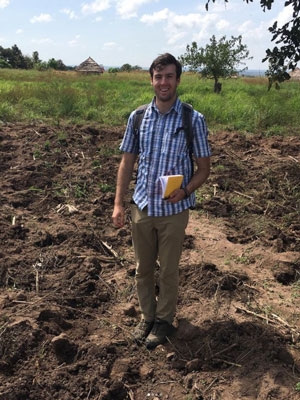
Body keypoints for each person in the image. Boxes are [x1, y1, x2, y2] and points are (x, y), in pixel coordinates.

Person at [112, 53, 211, 349]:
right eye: (158, 76)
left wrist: (186, 190)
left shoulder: (192, 119)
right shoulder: (138, 117)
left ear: (178, 80)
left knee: (168, 270)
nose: (163, 82)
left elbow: (204, 169)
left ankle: (164, 321)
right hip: (142, 207)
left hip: (173, 210)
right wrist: (118, 203)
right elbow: (127, 163)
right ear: (151, 80)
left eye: (169, 76)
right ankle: (148, 317)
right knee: (143, 268)